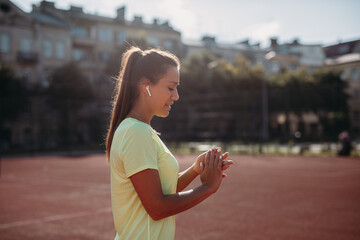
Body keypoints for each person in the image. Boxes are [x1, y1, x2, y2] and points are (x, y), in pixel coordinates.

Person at [105, 46, 233, 240]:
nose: (176, 96)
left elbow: (162, 190)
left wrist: (195, 170)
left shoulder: (140, 130)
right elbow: (157, 208)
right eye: (170, 88)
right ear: (146, 86)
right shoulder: (135, 132)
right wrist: (207, 188)